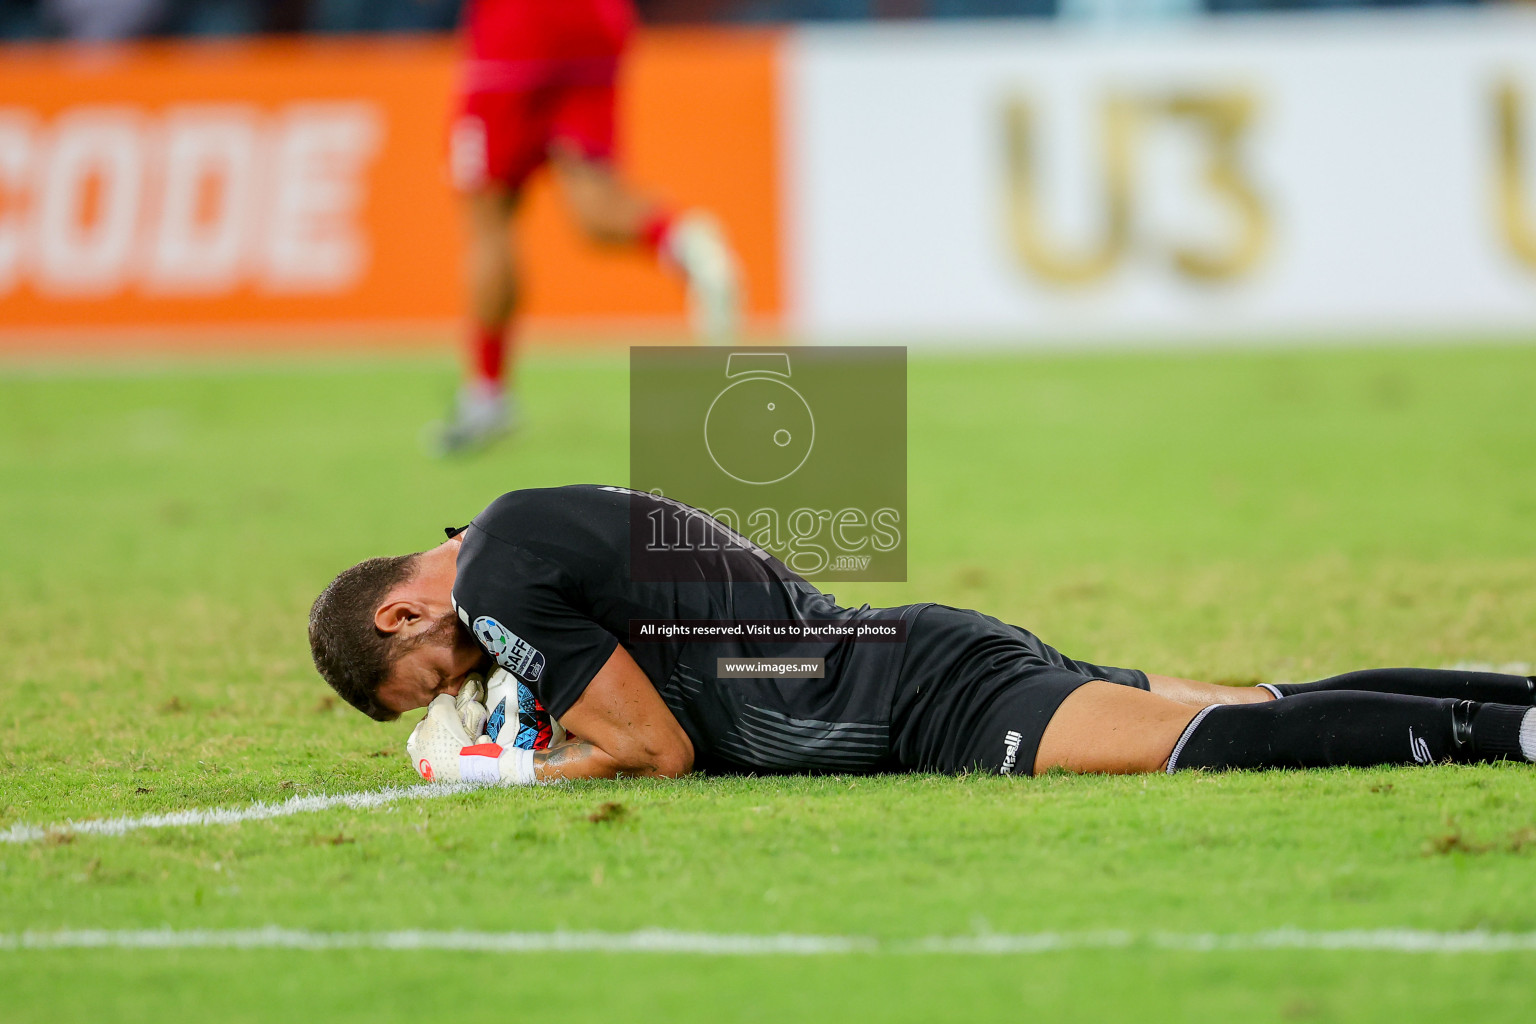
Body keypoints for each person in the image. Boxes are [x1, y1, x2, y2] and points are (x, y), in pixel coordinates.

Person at [307, 485, 1536, 785]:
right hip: (903, 656)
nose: (449, 685)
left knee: (1202, 745)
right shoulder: (514, 541)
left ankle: (1516, 733)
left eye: (424, 680)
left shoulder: (503, 579)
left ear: (400, 613)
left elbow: (655, 749)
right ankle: (1518, 698)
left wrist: (502, 765)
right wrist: (530, 701)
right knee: (1262, 702)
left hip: (911, 695)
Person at [432, 0, 741, 454]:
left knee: (489, 213)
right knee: (594, 203)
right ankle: (680, 238)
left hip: (517, 26)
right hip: (598, 19)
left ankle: (488, 394)